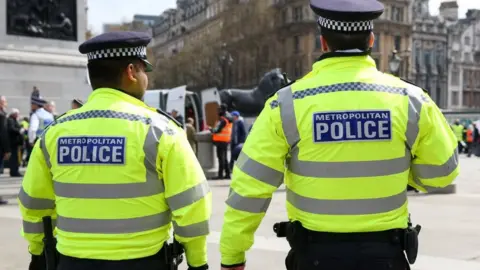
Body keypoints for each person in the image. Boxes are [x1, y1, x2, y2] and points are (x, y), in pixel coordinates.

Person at [219, 1, 459, 270]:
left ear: (323, 43)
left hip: (315, 257)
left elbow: (249, 189)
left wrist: (232, 256)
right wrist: (400, 171)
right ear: (371, 39)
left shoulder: (285, 104)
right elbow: (443, 172)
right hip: (385, 256)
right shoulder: (411, 100)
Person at [19, 31, 211, 270]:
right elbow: (192, 205)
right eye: (144, 71)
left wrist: (37, 254)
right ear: (131, 72)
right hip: (145, 264)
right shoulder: (161, 131)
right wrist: (197, 262)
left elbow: (34, 203)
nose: (146, 79)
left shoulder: (54, 133)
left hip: (71, 263)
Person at [210, 104, 233, 179]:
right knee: (225, 158)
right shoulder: (229, 118)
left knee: (221, 158)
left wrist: (211, 130)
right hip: (226, 140)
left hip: (220, 141)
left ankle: (220, 175)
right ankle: (227, 174)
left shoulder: (224, 120)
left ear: (223, 110)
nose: (218, 111)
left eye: (219, 110)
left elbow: (217, 130)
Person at [7, 108, 23, 177]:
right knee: (14, 158)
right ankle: (14, 172)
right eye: (17, 114)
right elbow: (11, 129)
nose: (18, 115)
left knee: (16, 158)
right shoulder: (10, 120)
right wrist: (19, 130)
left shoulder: (14, 120)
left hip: (15, 143)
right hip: (13, 142)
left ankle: (14, 171)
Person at [0, 96, 10, 205]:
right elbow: (3, 133)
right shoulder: (1, 115)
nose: (6, 103)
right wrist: (7, 149)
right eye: (4, 101)